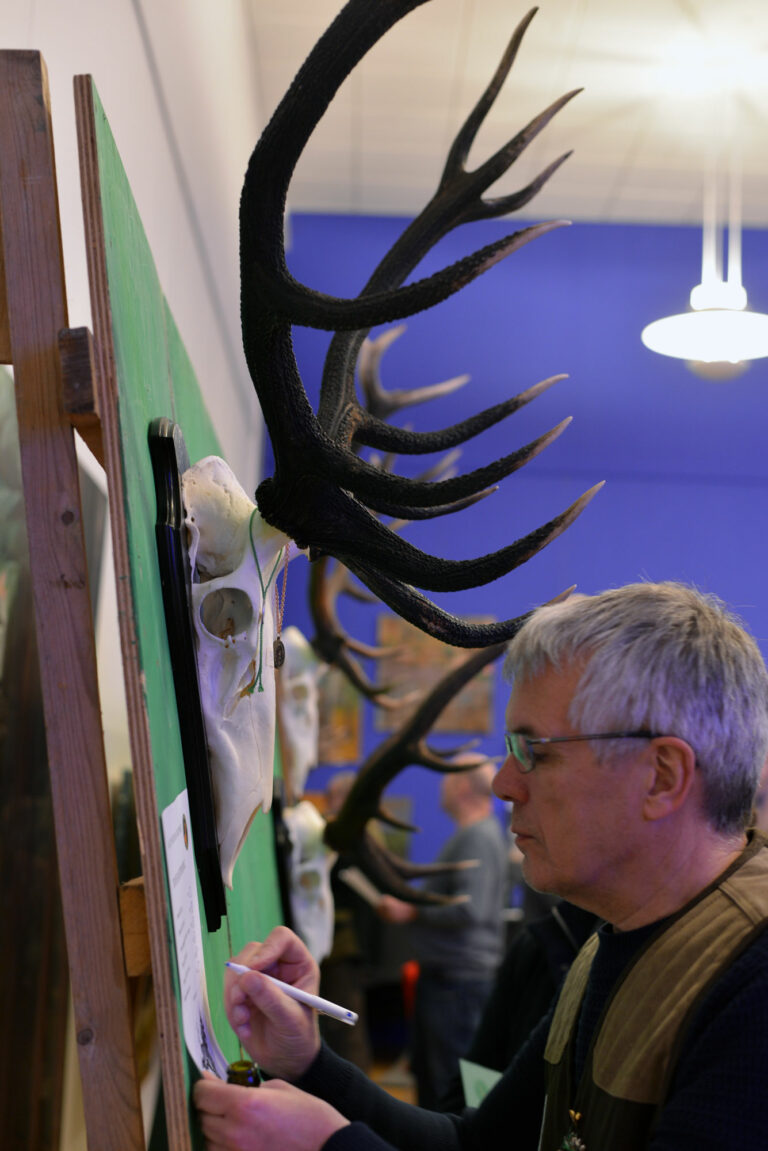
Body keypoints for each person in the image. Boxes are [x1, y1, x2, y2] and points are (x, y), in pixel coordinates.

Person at [195, 581, 768, 1151]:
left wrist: (333, 1148)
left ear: (661, 776)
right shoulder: (615, 940)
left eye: (535, 753)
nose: (502, 784)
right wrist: (312, 1062)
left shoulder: (750, 989)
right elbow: (475, 1144)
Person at [375, 762, 509, 1108]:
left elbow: (471, 910)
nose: (441, 786)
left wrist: (412, 910)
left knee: (447, 1086)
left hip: (456, 985)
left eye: (448, 778)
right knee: (441, 1080)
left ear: (462, 786)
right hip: (454, 983)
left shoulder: (476, 836)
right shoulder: (478, 834)